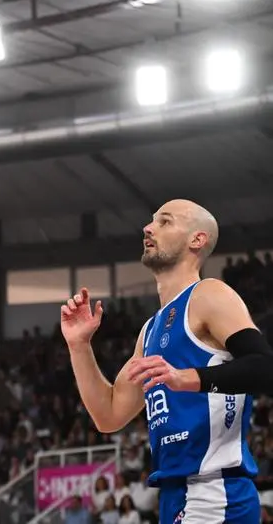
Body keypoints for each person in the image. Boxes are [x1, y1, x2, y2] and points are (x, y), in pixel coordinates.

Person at [62, 199, 273, 523]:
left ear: (196, 240)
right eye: (151, 222)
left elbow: (263, 366)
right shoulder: (149, 331)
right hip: (177, 496)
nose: (148, 228)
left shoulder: (209, 294)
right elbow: (108, 415)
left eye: (165, 222)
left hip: (215, 494)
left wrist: (187, 377)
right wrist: (79, 347)